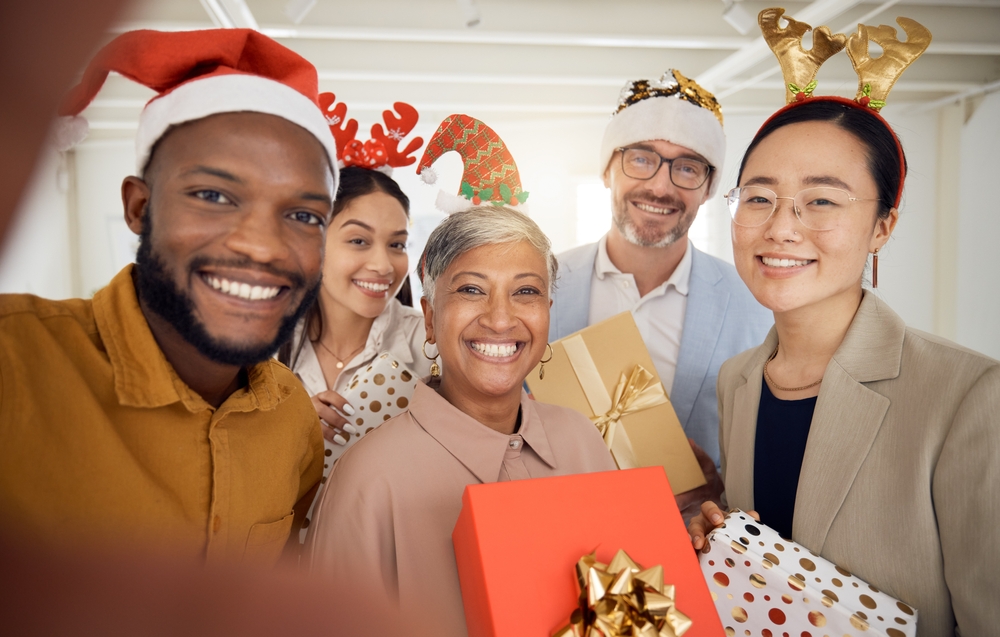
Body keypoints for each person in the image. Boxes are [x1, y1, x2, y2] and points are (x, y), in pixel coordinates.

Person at [690, 13, 999, 635]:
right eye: (758, 196)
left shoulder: (967, 394)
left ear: (882, 225)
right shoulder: (739, 380)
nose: (780, 226)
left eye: (822, 200)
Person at [0, 29, 340, 565]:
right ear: (139, 207)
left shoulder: (290, 415)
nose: (261, 246)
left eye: (303, 215)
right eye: (213, 196)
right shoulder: (15, 362)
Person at [307, 205, 617, 636]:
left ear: (547, 312)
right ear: (430, 319)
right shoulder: (368, 480)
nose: (500, 319)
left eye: (525, 292)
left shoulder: (583, 439)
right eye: (472, 290)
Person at [549, 70, 772, 475]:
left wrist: (718, 486)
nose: (660, 187)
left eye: (687, 168)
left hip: (691, 531)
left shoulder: (755, 304)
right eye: (641, 159)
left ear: (708, 188)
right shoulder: (542, 283)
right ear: (607, 170)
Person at [277, 165, 431, 539]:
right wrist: (282, 432)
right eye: (359, 241)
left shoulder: (431, 346)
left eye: (396, 244)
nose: (382, 265)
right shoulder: (262, 348)